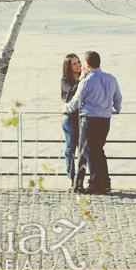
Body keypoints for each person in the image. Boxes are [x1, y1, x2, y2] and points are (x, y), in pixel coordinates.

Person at [63, 51, 122, 195]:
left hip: (89, 121)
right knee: (99, 151)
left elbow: (75, 103)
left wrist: (65, 108)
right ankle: (105, 183)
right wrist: (116, 110)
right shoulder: (111, 79)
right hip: (105, 120)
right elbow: (118, 99)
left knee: (89, 152)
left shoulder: (86, 82)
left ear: (87, 65)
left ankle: (95, 184)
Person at [60, 53, 83, 186]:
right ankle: (71, 179)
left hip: (83, 119)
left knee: (83, 150)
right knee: (70, 149)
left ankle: (80, 181)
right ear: (68, 66)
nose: (78, 65)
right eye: (74, 64)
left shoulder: (85, 79)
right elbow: (74, 92)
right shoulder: (65, 81)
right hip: (70, 119)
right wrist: (81, 78)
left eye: (79, 62)